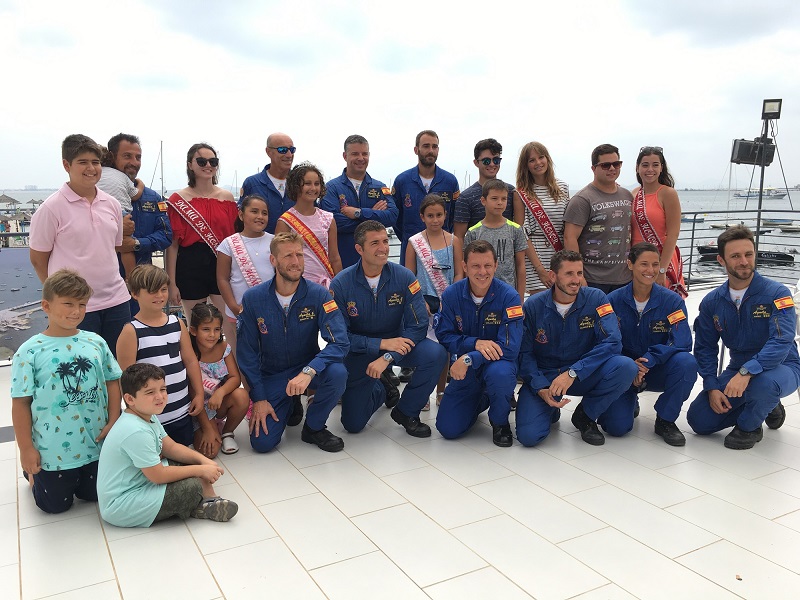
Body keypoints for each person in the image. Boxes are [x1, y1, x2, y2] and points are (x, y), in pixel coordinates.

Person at [11, 270, 122, 514]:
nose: (76, 311)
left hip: (95, 444)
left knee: (93, 496)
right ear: (46, 306)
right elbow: (20, 403)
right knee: (54, 507)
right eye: (68, 304)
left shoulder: (96, 342)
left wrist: (114, 419)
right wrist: (26, 449)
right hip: (53, 451)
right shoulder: (29, 351)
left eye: (82, 304)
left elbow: (113, 380)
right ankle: (33, 475)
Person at [330, 221, 447, 437]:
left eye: (385, 241)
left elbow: (418, 325)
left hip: (398, 346)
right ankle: (382, 388)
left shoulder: (405, 277)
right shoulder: (340, 284)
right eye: (375, 243)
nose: (383, 248)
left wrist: (388, 356)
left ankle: (407, 412)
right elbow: (339, 337)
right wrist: (380, 344)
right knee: (352, 425)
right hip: (360, 353)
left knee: (435, 353)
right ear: (359, 249)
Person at [687, 225, 800, 449]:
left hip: (782, 366)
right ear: (721, 260)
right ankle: (765, 405)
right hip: (737, 368)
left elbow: (781, 341)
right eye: (735, 256)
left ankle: (750, 425)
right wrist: (711, 386)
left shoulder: (778, 293)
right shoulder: (712, 302)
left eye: (749, 254)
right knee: (699, 420)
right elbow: (704, 347)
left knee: (763, 386)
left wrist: (747, 372)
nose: (744, 261)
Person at [237, 232, 350, 452]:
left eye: (299, 254)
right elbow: (247, 353)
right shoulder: (253, 299)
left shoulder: (319, 295)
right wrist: (259, 398)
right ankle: (290, 402)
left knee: (338, 373)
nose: (296, 261)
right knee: (262, 444)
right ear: (273, 260)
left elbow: (340, 342)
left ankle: (314, 427)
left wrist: (310, 370)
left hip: (306, 368)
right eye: (288, 255)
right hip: (273, 375)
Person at [516, 250, 638, 446]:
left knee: (626, 367)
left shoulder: (597, 298)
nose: (576, 280)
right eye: (569, 274)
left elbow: (613, 341)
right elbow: (524, 353)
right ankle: (550, 407)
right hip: (547, 377)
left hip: (584, 373)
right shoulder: (533, 306)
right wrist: (540, 388)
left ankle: (585, 414)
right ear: (553, 276)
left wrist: (574, 372)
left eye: (579, 273)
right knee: (529, 437)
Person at [98, 363, 238, 527]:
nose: (160, 397)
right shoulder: (135, 430)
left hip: (140, 482)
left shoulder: (146, 414)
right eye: (150, 392)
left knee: (189, 460)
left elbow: (170, 447)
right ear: (129, 399)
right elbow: (158, 476)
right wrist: (200, 470)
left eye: (163, 389)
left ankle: (209, 500)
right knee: (192, 486)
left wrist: (203, 461)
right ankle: (201, 505)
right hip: (122, 505)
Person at [29, 134, 131, 355]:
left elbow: (113, 248)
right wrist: (59, 298)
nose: (91, 168)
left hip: (117, 301)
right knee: (79, 366)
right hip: (75, 306)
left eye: (95, 162)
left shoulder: (112, 204)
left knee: (118, 365)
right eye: (83, 162)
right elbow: (38, 260)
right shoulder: (51, 208)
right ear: (67, 165)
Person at [116, 265, 213, 456]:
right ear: (134, 294)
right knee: (159, 462)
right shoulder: (130, 331)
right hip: (152, 419)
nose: (159, 295)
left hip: (182, 411)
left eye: (163, 289)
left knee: (187, 454)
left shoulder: (177, 323)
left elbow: (190, 361)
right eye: (152, 291)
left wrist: (199, 393)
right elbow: (127, 379)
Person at [607, 243, 697, 446]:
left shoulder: (672, 301)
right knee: (616, 428)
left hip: (656, 368)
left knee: (687, 363)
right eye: (644, 264)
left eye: (655, 264)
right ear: (630, 264)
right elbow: (605, 341)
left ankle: (665, 420)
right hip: (625, 371)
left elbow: (682, 340)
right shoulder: (612, 300)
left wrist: (650, 359)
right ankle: (630, 397)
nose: (651, 270)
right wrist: (629, 367)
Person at [434, 240, 522, 446]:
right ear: (464, 266)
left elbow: (510, 347)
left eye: (487, 265)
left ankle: (500, 422)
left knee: (499, 375)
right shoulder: (451, 295)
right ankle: (484, 397)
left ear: (496, 266)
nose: (482, 272)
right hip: (468, 372)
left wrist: (469, 357)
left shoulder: (509, 297)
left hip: (498, 364)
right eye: (475, 266)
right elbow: (444, 335)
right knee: (448, 429)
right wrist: (475, 343)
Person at [165, 142, 238, 336]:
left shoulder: (227, 198)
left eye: (213, 161)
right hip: (190, 264)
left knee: (229, 323)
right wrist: (171, 283)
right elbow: (172, 245)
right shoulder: (178, 200)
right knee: (196, 326)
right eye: (201, 161)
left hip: (221, 262)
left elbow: (234, 238)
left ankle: (233, 357)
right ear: (190, 164)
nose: (208, 165)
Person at [404, 194, 464, 407]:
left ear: (445, 215)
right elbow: (409, 276)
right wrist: (419, 300)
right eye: (430, 215)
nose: (435, 220)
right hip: (423, 304)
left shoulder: (454, 241)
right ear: (422, 217)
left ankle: (441, 391)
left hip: (447, 302)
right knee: (423, 348)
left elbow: (459, 272)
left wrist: (451, 297)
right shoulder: (414, 242)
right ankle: (422, 393)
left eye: (439, 215)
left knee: (444, 348)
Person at [563, 143, 633, 293]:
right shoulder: (582, 199)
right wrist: (579, 276)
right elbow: (570, 238)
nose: (612, 168)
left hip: (625, 278)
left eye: (616, 164)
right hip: (593, 279)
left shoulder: (627, 195)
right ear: (593, 168)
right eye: (606, 165)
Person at [320, 134, 398, 268]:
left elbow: (392, 216)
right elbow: (333, 222)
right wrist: (373, 217)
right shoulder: (331, 188)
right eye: (355, 154)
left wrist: (359, 213)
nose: (361, 158)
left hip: (375, 265)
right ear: (345, 156)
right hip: (343, 263)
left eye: (364, 154)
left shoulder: (380, 187)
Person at [216, 194, 275, 355]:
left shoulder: (275, 242)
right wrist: (234, 307)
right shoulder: (228, 244)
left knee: (270, 353)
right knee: (244, 356)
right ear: (241, 215)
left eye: (264, 213)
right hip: (239, 311)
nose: (260, 216)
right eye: (254, 211)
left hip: (271, 311)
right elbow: (222, 279)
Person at [188, 303, 249, 455]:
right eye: (206, 329)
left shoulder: (223, 347)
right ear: (193, 330)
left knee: (241, 395)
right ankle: (209, 429)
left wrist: (220, 393)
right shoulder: (188, 353)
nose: (212, 335)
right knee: (210, 452)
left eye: (216, 329)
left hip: (217, 403)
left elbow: (235, 378)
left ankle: (227, 432)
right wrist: (207, 428)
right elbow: (192, 393)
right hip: (197, 410)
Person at [392, 130, 460, 265]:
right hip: (410, 250)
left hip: (442, 251)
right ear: (416, 150)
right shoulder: (402, 181)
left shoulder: (450, 181)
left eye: (434, 147)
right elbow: (396, 219)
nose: (431, 151)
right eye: (426, 146)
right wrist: (409, 238)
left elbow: (453, 216)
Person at [106, 133, 173, 269]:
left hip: (141, 278)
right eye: (127, 156)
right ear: (112, 157)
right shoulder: (94, 194)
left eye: (138, 157)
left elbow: (166, 235)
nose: (134, 162)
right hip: (102, 276)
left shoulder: (153, 198)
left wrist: (136, 244)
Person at [513, 141, 569, 294]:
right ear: (525, 165)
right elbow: (521, 233)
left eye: (541, 157)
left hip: (560, 255)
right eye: (532, 160)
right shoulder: (520, 193)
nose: (538, 163)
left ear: (547, 159)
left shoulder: (563, 187)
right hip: (535, 259)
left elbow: (569, 225)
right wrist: (540, 269)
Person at [631, 146, 687, 297]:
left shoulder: (668, 193)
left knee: (663, 302)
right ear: (637, 168)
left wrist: (662, 269)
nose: (650, 169)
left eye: (655, 165)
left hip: (661, 260)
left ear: (661, 168)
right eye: (645, 165)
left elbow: (673, 234)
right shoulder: (634, 194)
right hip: (637, 261)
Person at [275, 162, 343, 288]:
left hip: (325, 286)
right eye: (307, 183)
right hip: (298, 286)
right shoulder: (285, 221)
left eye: (316, 184)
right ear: (296, 186)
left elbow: (334, 257)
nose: (313, 188)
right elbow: (280, 259)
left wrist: (341, 287)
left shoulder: (328, 219)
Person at [464, 179, 527, 299]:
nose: (500, 203)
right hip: (480, 293)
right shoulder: (473, 232)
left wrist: (520, 298)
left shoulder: (516, 229)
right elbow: (468, 267)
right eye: (494, 198)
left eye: (504, 199)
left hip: (508, 293)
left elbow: (520, 266)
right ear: (483, 200)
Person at [453, 138, 514, 241]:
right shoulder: (465, 197)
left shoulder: (511, 192)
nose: (492, 164)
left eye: (496, 160)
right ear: (476, 162)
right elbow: (459, 237)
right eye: (486, 161)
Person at [97, 146, 144, 280]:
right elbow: (135, 195)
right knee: (126, 247)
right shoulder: (122, 176)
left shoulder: (94, 177)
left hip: (99, 212)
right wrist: (140, 185)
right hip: (120, 212)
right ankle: (131, 277)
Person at [240, 132, 297, 234]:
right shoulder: (252, 183)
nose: (289, 155)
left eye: (292, 150)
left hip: (294, 243)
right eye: (282, 150)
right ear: (268, 152)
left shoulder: (300, 184)